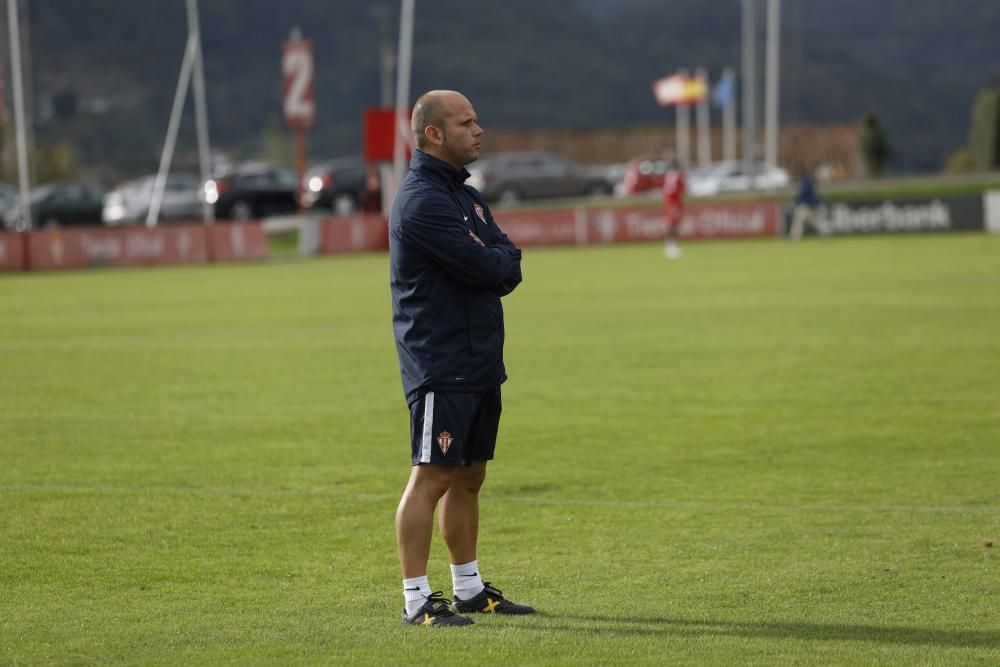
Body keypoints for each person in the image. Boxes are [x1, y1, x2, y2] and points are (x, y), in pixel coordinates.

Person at [389, 90, 532, 627]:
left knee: (470, 474)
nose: (479, 130)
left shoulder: (465, 197)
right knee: (432, 475)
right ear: (434, 134)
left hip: (478, 360)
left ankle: (469, 589)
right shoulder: (422, 201)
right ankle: (417, 600)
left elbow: (507, 260)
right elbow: (483, 265)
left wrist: (495, 260)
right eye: (466, 122)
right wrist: (494, 261)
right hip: (441, 362)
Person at [788, 166, 830, 240]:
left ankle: (794, 238)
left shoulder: (806, 181)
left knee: (810, 221)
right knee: (803, 220)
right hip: (809, 205)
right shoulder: (807, 180)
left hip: (810, 205)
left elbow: (803, 194)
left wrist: (794, 201)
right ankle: (794, 237)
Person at [662, 159, 685, 259]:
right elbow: (681, 189)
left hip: (668, 202)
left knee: (671, 224)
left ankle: (670, 246)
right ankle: (672, 247)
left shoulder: (668, 175)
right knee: (673, 225)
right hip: (674, 202)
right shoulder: (677, 176)